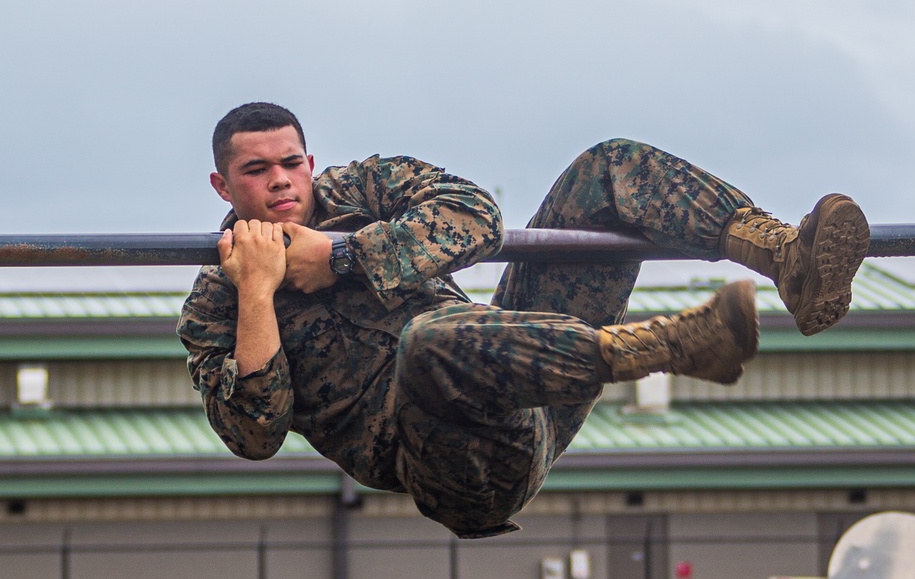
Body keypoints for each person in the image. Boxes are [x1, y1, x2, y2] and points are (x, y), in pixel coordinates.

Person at [177, 102, 870, 538]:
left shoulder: (354, 191)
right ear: (223, 186)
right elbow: (254, 433)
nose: (281, 181)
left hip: (525, 376)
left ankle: (787, 259)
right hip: (455, 462)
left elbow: (478, 215)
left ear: (310, 160)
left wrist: (348, 256)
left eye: (291, 162)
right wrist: (258, 294)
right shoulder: (216, 303)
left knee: (605, 168)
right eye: (257, 169)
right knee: (428, 342)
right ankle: (665, 345)